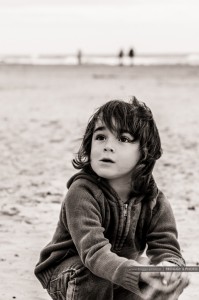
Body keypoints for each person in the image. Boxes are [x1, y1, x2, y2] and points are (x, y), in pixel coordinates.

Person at [35, 97, 189, 300]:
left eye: (123, 139)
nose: (107, 146)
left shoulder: (154, 201)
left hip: (120, 272)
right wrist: (136, 271)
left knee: (164, 280)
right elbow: (94, 254)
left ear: (145, 152)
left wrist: (170, 268)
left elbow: (166, 247)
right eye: (100, 137)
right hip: (71, 271)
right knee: (96, 274)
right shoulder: (82, 192)